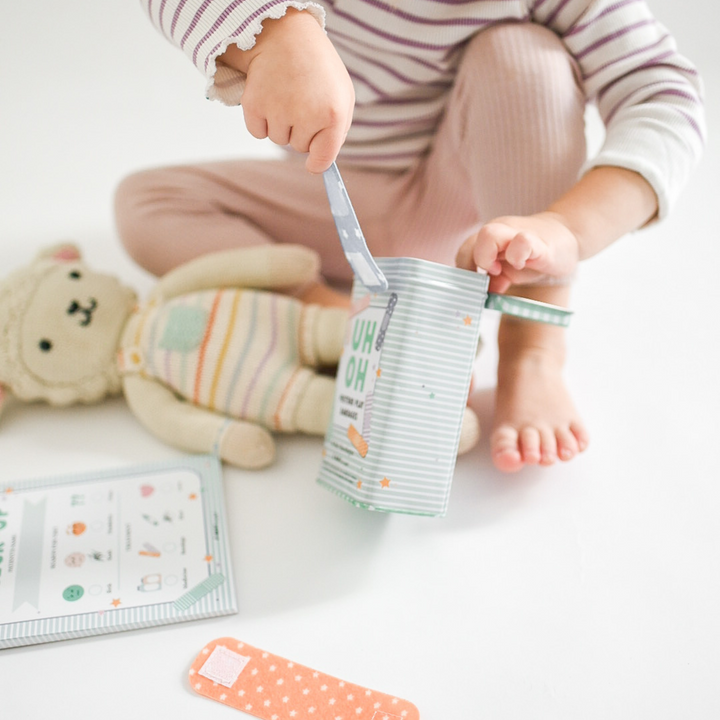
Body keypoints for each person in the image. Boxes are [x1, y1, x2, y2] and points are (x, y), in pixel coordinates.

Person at [115, 0, 705, 472]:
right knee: (146, 203)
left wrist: (566, 229)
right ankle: (336, 320)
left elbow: (664, 98)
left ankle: (533, 347)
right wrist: (274, 33)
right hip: (332, 193)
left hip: (460, 212)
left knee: (525, 56)